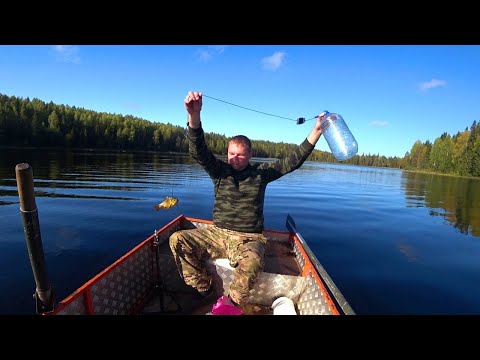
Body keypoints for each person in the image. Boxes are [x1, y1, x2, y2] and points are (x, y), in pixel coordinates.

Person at [169, 90, 325, 310]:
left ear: (250, 154)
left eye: (240, 154)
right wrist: (194, 116)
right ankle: (205, 288)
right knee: (177, 239)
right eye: (231, 153)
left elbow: (293, 161)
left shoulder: (262, 173)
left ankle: (230, 305)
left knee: (253, 263)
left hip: (249, 237)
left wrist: (316, 131)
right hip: (218, 233)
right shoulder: (219, 171)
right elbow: (198, 150)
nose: (235, 158)